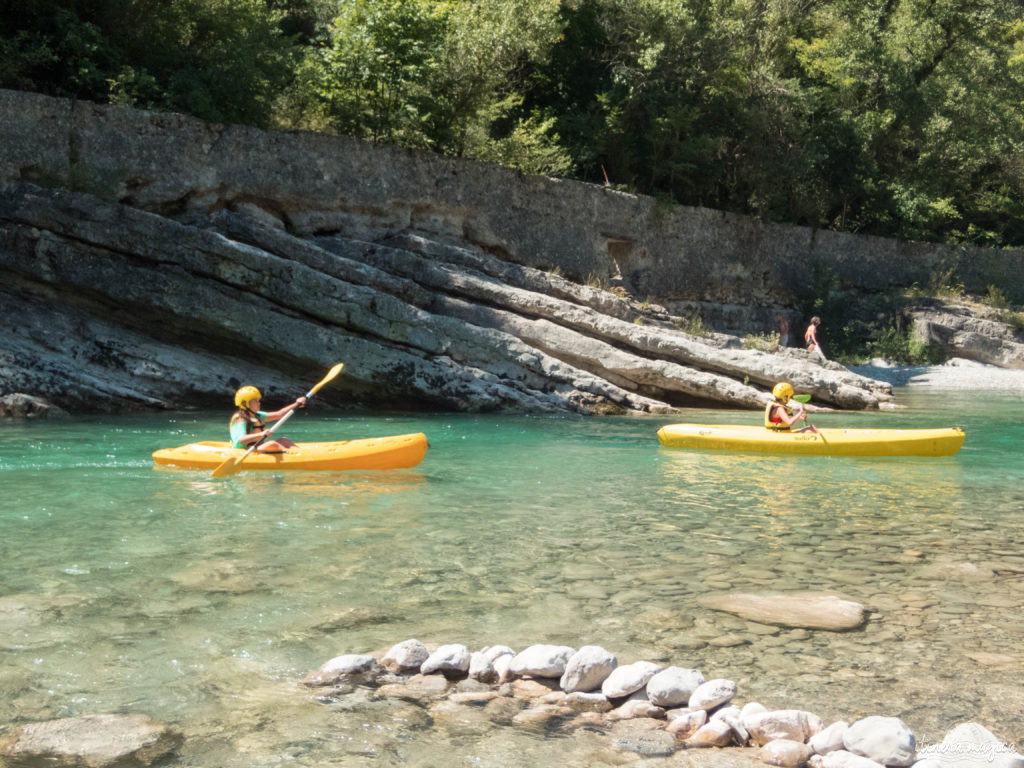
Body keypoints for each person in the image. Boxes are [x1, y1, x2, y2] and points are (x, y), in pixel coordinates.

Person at [230, 386, 306, 452]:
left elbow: (279, 414)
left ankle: (302, 454)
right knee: (272, 444)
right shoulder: (241, 419)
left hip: (256, 447)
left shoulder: (257, 415)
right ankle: (293, 457)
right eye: (255, 401)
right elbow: (242, 440)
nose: (259, 403)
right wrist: (261, 434)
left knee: (284, 440)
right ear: (245, 404)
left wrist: (296, 404)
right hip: (245, 450)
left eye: (258, 400)